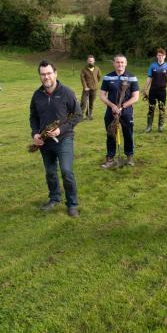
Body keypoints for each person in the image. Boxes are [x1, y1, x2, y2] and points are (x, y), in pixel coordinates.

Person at [30, 60, 81, 217]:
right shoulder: (37, 95)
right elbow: (33, 117)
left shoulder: (66, 92)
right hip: (45, 141)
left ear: (55, 73)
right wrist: (35, 134)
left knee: (66, 171)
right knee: (50, 172)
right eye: (43, 74)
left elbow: (78, 115)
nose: (46, 77)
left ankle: (72, 204)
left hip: (64, 139)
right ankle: (54, 198)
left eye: (49, 73)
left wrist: (60, 130)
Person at [99, 54, 140, 168]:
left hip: (126, 111)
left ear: (126, 63)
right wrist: (112, 106)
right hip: (111, 111)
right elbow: (102, 95)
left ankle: (129, 156)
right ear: (114, 63)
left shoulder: (132, 77)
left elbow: (135, 97)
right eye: (117, 62)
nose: (120, 64)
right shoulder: (108, 77)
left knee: (128, 134)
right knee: (111, 134)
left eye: (122, 62)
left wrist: (122, 106)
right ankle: (110, 158)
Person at [143, 48, 167, 132]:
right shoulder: (152, 66)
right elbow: (149, 78)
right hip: (153, 90)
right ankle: (149, 126)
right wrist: (145, 88)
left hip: (162, 91)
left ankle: (160, 126)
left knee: (162, 108)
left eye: (161, 55)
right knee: (151, 108)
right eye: (158, 55)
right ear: (157, 56)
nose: (160, 57)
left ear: (164, 56)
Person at [79, 55, 102, 120]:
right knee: (83, 102)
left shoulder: (97, 68)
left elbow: (99, 77)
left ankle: (89, 115)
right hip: (86, 89)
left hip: (94, 89)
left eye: (91, 61)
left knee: (91, 103)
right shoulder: (84, 69)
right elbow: (82, 79)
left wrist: (95, 84)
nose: (90, 62)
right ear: (87, 61)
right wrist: (85, 87)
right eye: (89, 61)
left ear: (94, 61)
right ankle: (80, 116)